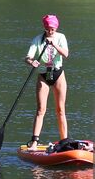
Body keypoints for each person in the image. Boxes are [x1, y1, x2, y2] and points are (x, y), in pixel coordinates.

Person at [27, 14, 70, 148]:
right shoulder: (38, 39)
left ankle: (64, 141)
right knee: (41, 110)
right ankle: (34, 141)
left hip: (58, 74)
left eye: (52, 29)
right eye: (47, 28)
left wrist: (54, 45)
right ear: (44, 27)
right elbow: (28, 57)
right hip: (43, 75)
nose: (50, 31)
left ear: (56, 28)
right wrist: (31, 61)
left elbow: (66, 54)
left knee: (60, 110)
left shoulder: (61, 37)